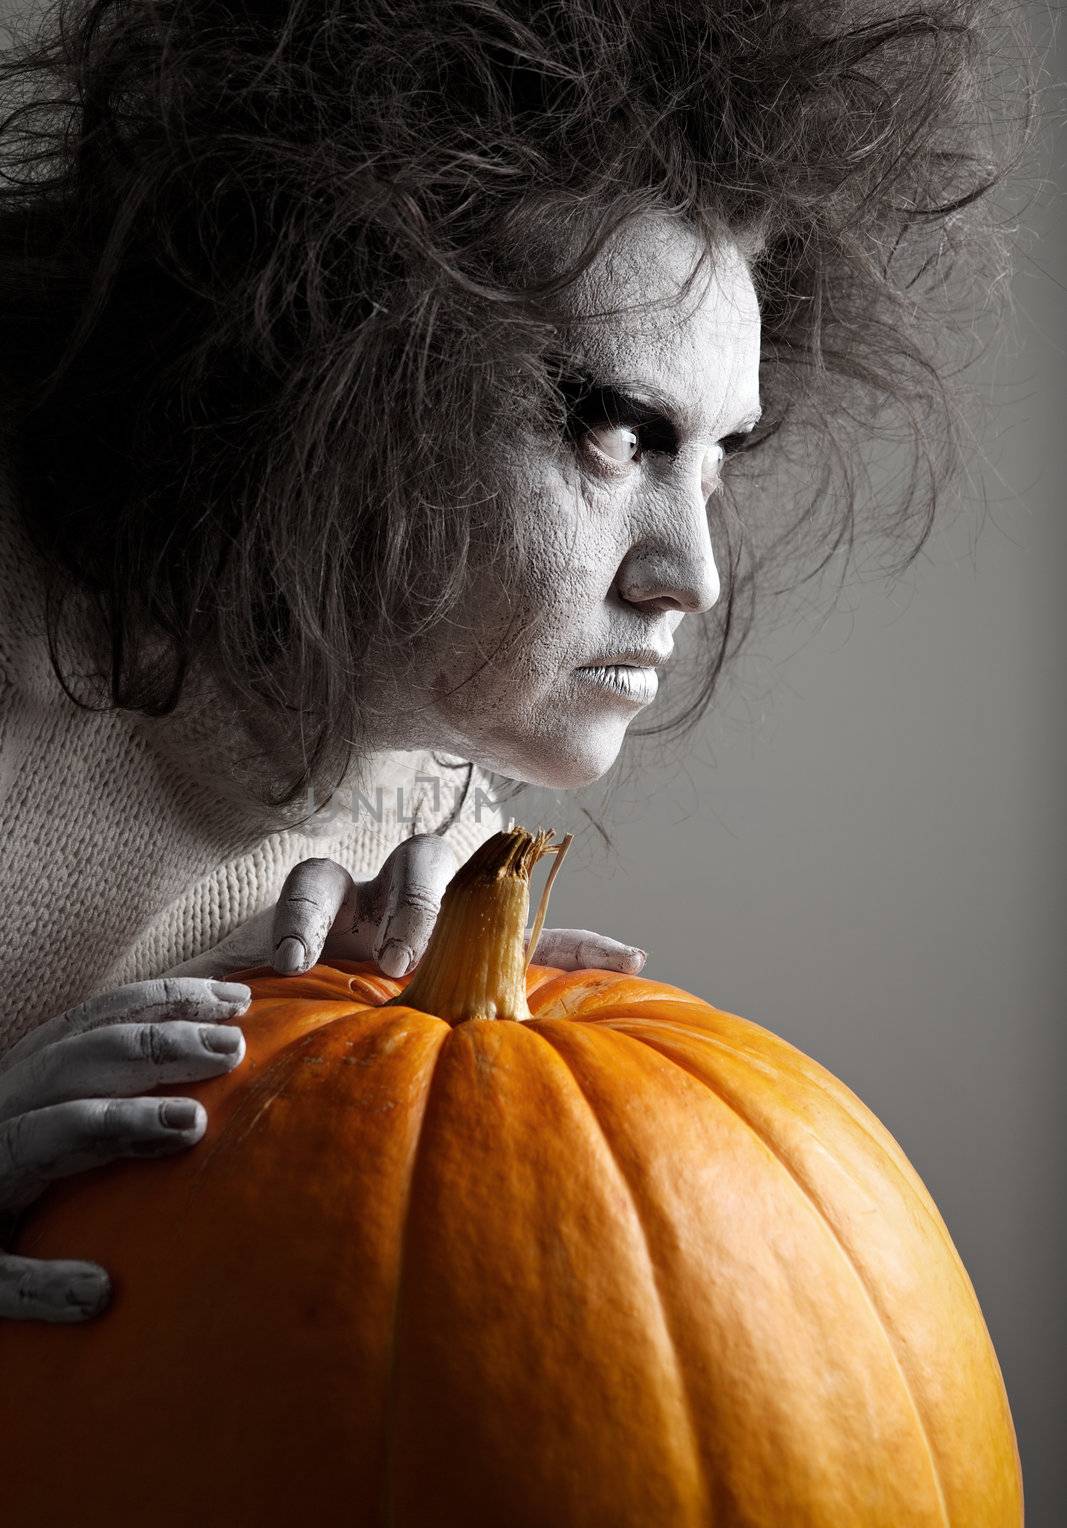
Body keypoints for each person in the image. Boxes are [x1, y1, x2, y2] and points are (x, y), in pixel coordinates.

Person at [0, 0, 1029, 1321]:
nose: (693, 575)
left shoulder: (433, 781)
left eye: (725, 457)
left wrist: (338, 1034)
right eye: (617, 434)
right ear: (345, 359)